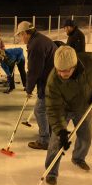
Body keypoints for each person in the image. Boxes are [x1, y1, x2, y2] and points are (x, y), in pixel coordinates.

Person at [44, 46, 92, 185]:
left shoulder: (91, 60)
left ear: (74, 66)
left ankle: (79, 158)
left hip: (84, 106)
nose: (62, 74)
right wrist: (61, 131)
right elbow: (53, 108)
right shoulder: (53, 80)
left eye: (66, 71)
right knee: (56, 141)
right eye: (59, 70)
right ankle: (51, 171)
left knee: (85, 135)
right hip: (63, 108)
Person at [15, 21, 57, 150]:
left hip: (49, 82)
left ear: (25, 33)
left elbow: (34, 71)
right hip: (53, 80)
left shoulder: (35, 45)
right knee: (47, 109)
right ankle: (49, 133)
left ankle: (44, 140)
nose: (20, 38)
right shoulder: (40, 39)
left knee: (39, 110)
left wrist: (29, 88)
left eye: (20, 35)